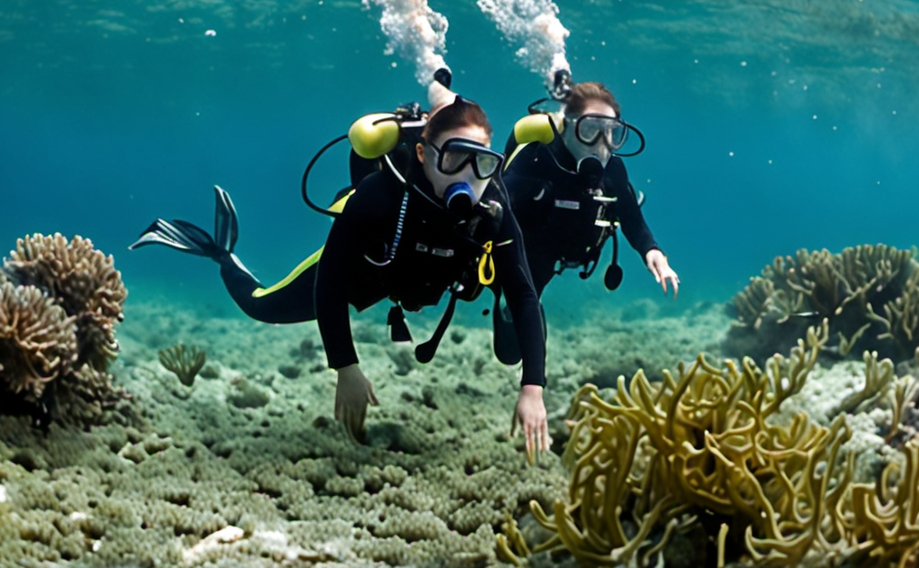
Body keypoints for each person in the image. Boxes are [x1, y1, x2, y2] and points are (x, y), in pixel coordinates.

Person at [130, 80, 550, 459]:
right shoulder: (381, 194)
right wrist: (345, 367)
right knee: (261, 306)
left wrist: (533, 387)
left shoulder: (493, 206)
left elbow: (524, 293)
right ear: (422, 154)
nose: (468, 176)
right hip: (366, 271)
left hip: (428, 277)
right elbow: (331, 279)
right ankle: (222, 252)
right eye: (455, 158)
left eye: (482, 163)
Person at [492, 76, 679, 362]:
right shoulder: (537, 158)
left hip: (574, 248)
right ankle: (506, 303)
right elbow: (496, 206)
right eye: (590, 129)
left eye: (612, 133)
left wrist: (652, 252)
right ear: (566, 128)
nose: (601, 144)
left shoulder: (613, 169)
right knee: (511, 343)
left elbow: (631, 216)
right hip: (531, 250)